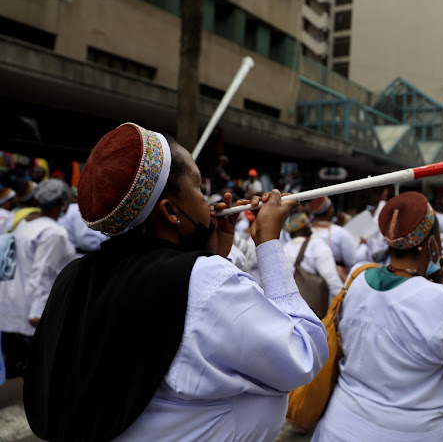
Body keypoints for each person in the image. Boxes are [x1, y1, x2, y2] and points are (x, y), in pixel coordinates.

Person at [23, 123, 327, 441]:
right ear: (170, 210)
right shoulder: (201, 278)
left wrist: (213, 259)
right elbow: (302, 356)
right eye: (197, 187)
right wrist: (268, 243)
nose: (208, 202)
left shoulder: (75, 275)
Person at [312, 192, 443, 442]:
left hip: (340, 426)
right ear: (431, 242)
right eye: (439, 238)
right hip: (410, 433)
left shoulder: (357, 276)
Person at [0, 179, 76, 379]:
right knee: (31, 373)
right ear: (62, 204)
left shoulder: (25, 222)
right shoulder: (53, 232)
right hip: (30, 311)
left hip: (12, 303)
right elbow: (43, 272)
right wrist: (37, 313)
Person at [283, 211, 343, 306]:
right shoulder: (317, 245)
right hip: (316, 310)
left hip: (291, 307)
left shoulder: (284, 249)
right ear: (306, 227)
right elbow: (332, 279)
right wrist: (342, 300)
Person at [309, 196, 361, 276]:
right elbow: (352, 261)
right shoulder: (340, 233)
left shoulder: (307, 231)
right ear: (330, 210)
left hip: (311, 277)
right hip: (334, 278)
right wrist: (363, 245)